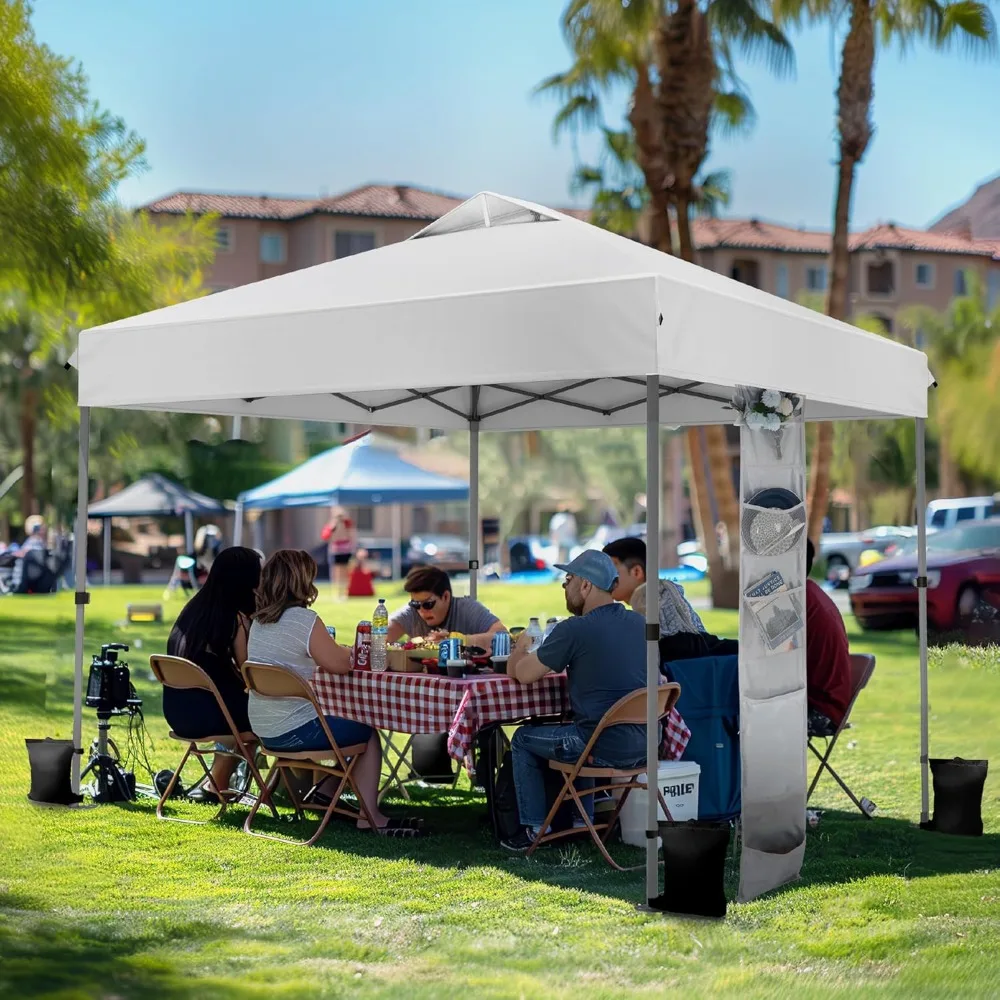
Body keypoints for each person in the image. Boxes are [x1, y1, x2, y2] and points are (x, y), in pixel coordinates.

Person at [247, 549, 421, 836]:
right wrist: (350, 651)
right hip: (295, 730)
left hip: (264, 730)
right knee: (366, 732)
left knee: (346, 725)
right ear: (301, 581)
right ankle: (369, 816)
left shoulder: (259, 622)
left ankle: (326, 792)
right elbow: (340, 664)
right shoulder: (303, 620)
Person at [501, 550, 648, 852]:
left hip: (599, 747)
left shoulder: (574, 629)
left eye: (568, 580)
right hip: (645, 744)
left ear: (586, 585)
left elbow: (523, 674)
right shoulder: (639, 623)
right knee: (583, 725)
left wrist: (521, 645)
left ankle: (534, 830)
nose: (564, 587)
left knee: (523, 738)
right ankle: (582, 822)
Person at [163, 546, 263, 802]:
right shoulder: (236, 618)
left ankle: (216, 784)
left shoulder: (193, 611)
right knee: (263, 721)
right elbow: (249, 671)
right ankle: (218, 785)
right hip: (211, 716)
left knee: (235, 711)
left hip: (177, 712)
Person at [602, 537, 705, 638]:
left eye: (611, 571)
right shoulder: (662, 594)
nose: (604, 578)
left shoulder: (650, 603)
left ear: (636, 572)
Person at [387, 565, 507, 647]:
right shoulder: (411, 612)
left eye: (428, 604)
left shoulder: (466, 608)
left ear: (446, 596)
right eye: (415, 604)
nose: (421, 611)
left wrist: (457, 641)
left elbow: (503, 635)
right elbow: (380, 637)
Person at [805, 539, 852, 737]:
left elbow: (769, 656)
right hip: (828, 706)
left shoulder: (797, 598)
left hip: (820, 711)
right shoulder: (810, 591)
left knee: (735, 709)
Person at [321, 507, 356, 600]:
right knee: (336, 573)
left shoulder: (347, 523)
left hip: (346, 550)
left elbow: (351, 534)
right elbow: (325, 536)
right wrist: (333, 526)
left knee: (345, 572)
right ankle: (337, 593)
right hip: (335, 551)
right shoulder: (331, 525)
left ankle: (344, 592)